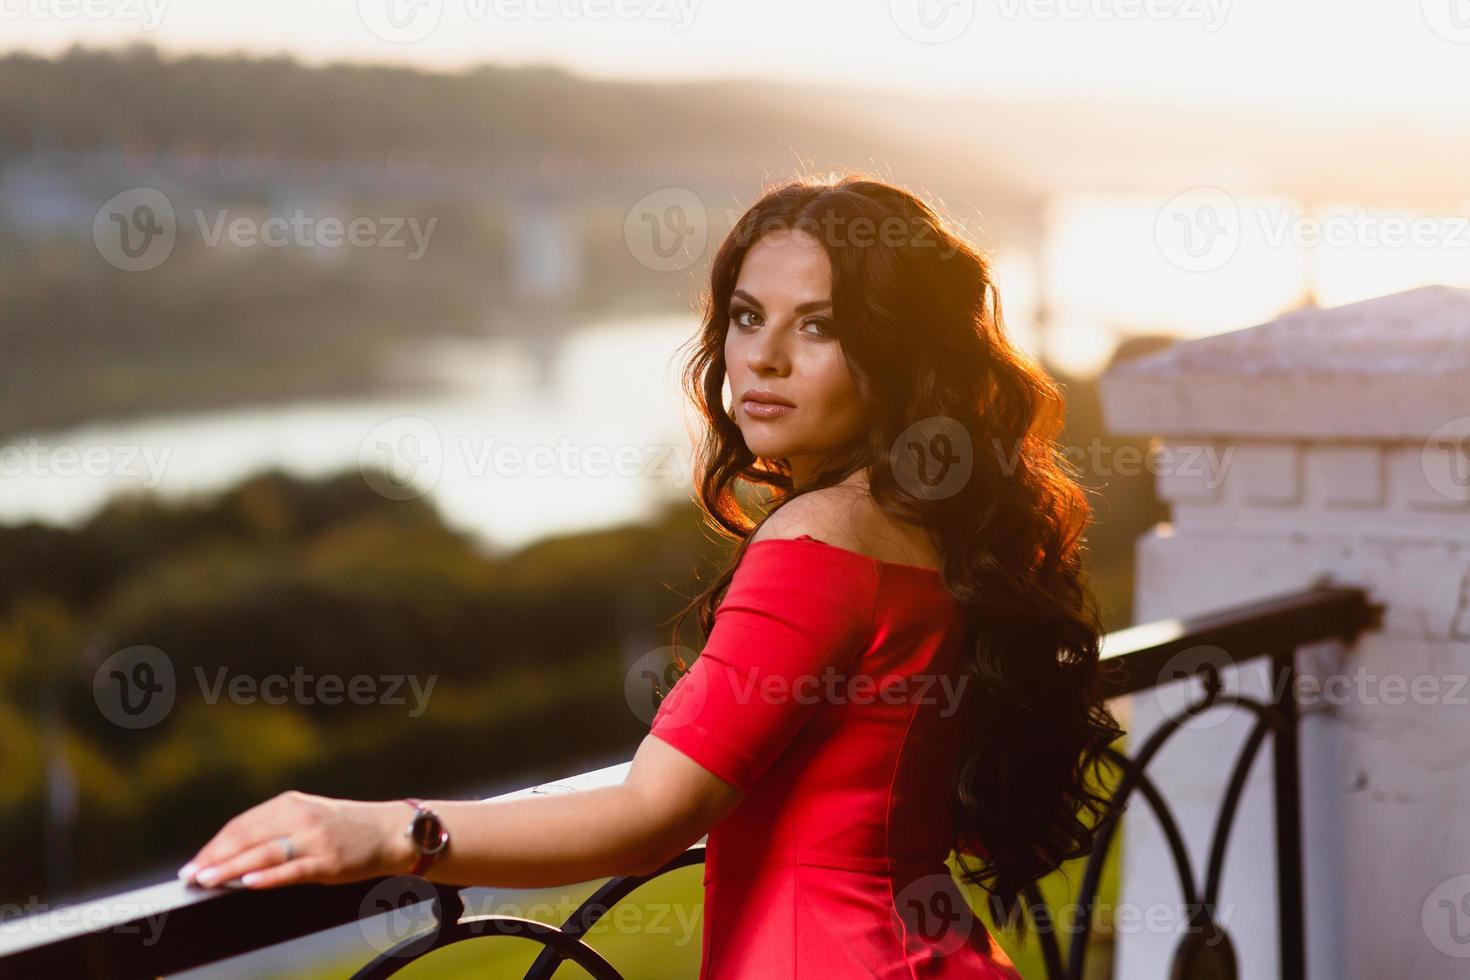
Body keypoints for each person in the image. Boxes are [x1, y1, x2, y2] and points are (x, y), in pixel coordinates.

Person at [178, 173, 1124, 978]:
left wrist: (395, 832)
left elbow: (648, 816)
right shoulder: (928, 522)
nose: (764, 355)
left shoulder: (815, 544)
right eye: (749, 317)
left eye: (821, 326)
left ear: (898, 354)